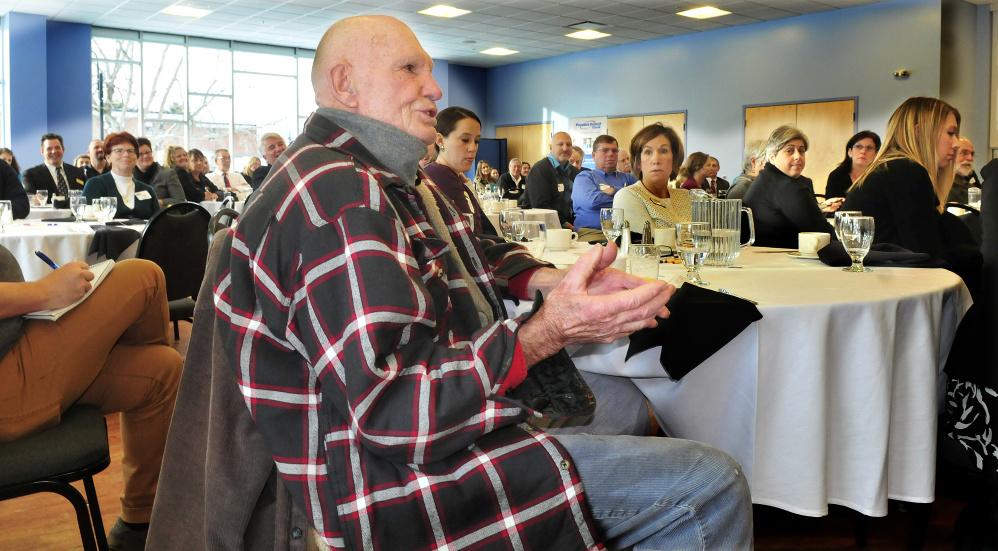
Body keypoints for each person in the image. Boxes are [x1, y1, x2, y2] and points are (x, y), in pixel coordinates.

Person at [211, 15, 752, 550]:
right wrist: (547, 332)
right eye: (409, 69)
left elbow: (469, 247)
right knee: (712, 481)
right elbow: (396, 411)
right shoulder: (341, 195)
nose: (434, 86)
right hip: (391, 479)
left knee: (626, 404)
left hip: (431, 422)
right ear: (345, 85)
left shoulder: (378, 174)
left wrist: (547, 278)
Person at [0, 246, 182, 551]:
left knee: (162, 370)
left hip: (16, 342)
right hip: (7, 375)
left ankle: (140, 523)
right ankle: (172, 509)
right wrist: (43, 292)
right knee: (146, 276)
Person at [841, 97, 980, 283]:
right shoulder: (906, 171)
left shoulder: (893, 168)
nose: (955, 144)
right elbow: (924, 254)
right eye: (950, 133)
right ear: (919, 132)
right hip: (884, 289)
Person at [743, 125, 835, 248]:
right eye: (789, 151)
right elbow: (824, 233)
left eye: (801, 151)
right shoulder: (786, 187)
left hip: (762, 258)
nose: (798, 156)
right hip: (780, 260)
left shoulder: (767, 179)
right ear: (772, 157)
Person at [422, 106, 496, 235]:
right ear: (440, 141)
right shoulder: (441, 174)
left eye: (477, 141)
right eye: (465, 140)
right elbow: (472, 236)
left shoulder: (450, 175)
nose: (473, 148)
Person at [613, 123, 693, 232]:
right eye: (648, 152)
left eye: (664, 151)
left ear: (674, 159)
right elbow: (649, 245)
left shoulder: (686, 196)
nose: (656, 160)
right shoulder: (628, 196)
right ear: (638, 163)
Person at [571, 134, 637, 241]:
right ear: (594, 155)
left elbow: (641, 198)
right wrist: (626, 198)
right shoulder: (584, 178)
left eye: (614, 151)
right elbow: (593, 202)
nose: (610, 154)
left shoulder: (628, 178)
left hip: (626, 234)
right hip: (593, 234)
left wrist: (613, 190)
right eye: (605, 150)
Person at [82, 132, 161, 219]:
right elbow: (87, 221)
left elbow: (159, 222)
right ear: (108, 157)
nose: (126, 155)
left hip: (144, 233)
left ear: (136, 157)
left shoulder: (148, 189)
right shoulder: (95, 184)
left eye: (130, 151)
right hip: (107, 233)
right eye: (119, 151)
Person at [523, 131, 579, 228]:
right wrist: (568, 226)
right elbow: (540, 206)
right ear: (551, 147)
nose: (565, 148)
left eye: (569, 145)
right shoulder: (540, 169)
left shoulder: (575, 172)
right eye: (560, 144)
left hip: (572, 227)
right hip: (543, 228)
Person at [22, 133, 87, 208]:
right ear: (42, 152)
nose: (54, 151)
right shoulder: (30, 174)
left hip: (76, 214)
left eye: (57, 148)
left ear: (63, 149)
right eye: (49, 149)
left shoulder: (77, 172)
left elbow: (86, 194)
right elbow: (29, 196)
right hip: (48, 216)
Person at [824, 131, 881, 199]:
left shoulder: (880, 176)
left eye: (868, 148)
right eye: (859, 147)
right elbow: (831, 206)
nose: (863, 151)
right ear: (850, 152)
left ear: (876, 154)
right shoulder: (837, 176)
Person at [134, 137, 185, 207]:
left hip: (164, 215)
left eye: (148, 152)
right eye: (141, 154)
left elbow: (180, 201)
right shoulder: (129, 176)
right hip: (137, 216)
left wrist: (159, 202)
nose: (145, 156)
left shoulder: (167, 173)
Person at [948, 138, 981, 204]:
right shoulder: (944, 186)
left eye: (972, 154)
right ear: (950, 154)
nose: (970, 158)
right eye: (964, 153)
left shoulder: (970, 182)